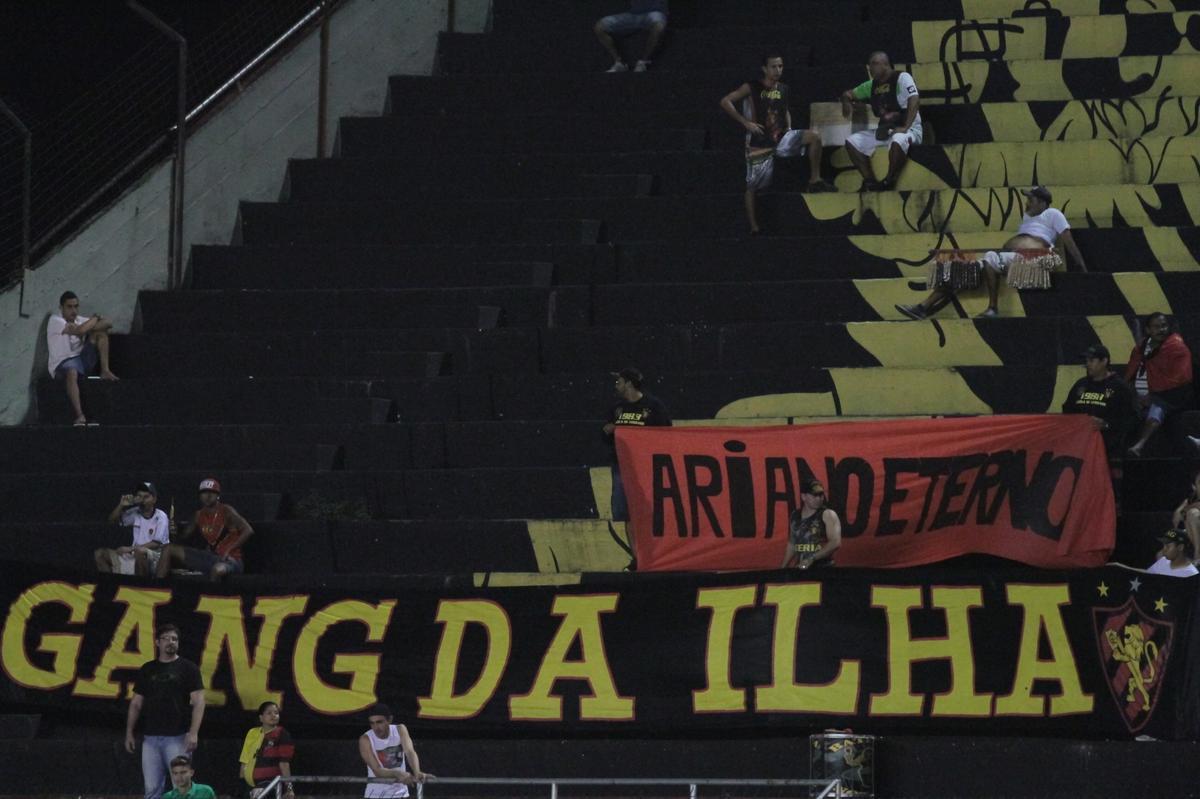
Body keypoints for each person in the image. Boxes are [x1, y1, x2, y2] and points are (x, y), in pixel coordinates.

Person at [895, 186, 1088, 320]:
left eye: (1030, 199)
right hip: (1011, 258)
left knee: (990, 256)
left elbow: (1068, 240)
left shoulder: (1053, 214)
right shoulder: (1027, 217)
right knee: (961, 270)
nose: (1027, 202)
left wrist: (1081, 266)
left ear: (1041, 202)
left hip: (1034, 259)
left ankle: (993, 308)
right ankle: (923, 307)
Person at [720, 53, 835, 234]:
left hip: (780, 137)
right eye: (773, 67)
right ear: (765, 69)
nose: (778, 70)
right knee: (753, 186)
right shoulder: (751, 87)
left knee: (815, 137)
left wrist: (789, 127)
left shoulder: (783, 88)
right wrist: (745, 122)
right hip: (759, 141)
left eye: (780, 66)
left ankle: (815, 179)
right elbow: (725, 101)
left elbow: (784, 109)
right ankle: (754, 227)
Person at [126, 624, 206, 799]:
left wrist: (193, 733)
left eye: (174, 639)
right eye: (166, 638)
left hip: (177, 737)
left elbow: (199, 702)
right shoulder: (147, 669)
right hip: (150, 738)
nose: (171, 642)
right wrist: (129, 732)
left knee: (182, 785)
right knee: (152, 787)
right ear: (157, 642)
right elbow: (136, 704)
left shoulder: (188, 668)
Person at [840, 51, 922, 191]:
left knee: (897, 140)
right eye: (870, 65)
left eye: (874, 64)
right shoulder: (871, 85)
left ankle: (889, 180)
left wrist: (905, 126)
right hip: (885, 131)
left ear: (885, 64)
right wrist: (846, 102)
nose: (870, 68)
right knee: (852, 141)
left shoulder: (902, 77)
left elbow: (914, 99)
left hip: (909, 129)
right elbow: (848, 94)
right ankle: (870, 181)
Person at [603, 368, 672, 523]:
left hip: (646, 464)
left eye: (618, 382)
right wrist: (608, 431)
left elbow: (666, 433)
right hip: (622, 464)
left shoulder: (653, 406)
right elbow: (606, 437)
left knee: (649, 505)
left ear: (628, 384)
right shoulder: (616, 408)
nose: (616, 385)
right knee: (620, 508)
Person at [1125, 312, 1195, 458]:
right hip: (1140, 399)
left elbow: (1180, 377)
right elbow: (1131, 373)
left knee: (1157, 408)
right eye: (1156, 327)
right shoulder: (1141, 348)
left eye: (1164, 326)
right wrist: (1135, 395)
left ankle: (1140, 445)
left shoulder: (1176, 347)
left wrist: (1152, 395)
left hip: (1169, 397)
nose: (1161, 330)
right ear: (1148, 330)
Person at [156, 478, 254, 581]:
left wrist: (229, 549)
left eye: (211, 493)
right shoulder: (198, 515)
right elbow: (184, 537)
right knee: (168, 549)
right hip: (210, 557)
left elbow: (248, 530)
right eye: (204, 493)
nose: (207, 496)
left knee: (217, 570)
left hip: (230, 559)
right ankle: (157, 590)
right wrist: (173, 531)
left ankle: (211, 596)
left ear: (217, 495)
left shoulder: (226, 510)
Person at [46, 290, 117, 425]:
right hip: (61, 364)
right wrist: (94, 319)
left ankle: (105, 371)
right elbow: (81, 331)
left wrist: (91, 322)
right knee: (72, 371)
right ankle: (80, 416)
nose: (74, 310)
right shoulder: (55, 320)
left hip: (81, 360)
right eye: (69, 307)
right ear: (61, 308)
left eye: (76, 306)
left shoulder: (79, 320)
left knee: (100, 334)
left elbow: (108, 323)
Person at [1061, 345, 1139, 460]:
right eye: (1086, 361)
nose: (1087, 364)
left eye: (1091, 360)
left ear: (1104, 361)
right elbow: (1067, 412)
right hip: (1080, 450)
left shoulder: (1120, 387)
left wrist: (1107, 424)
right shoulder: (1080, 384)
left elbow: (1133, 419)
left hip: (1109, 452)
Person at [96, 482, 171, 576]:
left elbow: (156, 544)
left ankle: (141, 587)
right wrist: (121, 505)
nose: (142, 500)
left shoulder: (161, 516)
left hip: (156, 558)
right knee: (100, 554)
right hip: (135, 553)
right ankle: (111, 586)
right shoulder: (135, 512)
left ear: (154, 499)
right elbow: (112, 521)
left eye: (146, 497)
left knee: (139, 552)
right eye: (139, 496)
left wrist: (129, 548)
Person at [359, 703, 431, 799]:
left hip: (401, 793)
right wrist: (397, 773)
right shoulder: (365, 739)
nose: (376, 727)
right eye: (372, 723)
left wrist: (417, 772)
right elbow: (377, 770)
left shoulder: (400, 729)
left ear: (389, 720)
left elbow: (409, 752)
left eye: (379, 722)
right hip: (376, 794)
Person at [781, 477, 842, 569]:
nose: (819, 498)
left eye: (821, 495)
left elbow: (835, 542)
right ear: (803, 496)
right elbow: (792, 544)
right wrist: (783, 568)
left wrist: (812, 558)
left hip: (823, 570)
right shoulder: (795, 516)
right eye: (814, 495)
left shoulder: (828, 514)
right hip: (801, 569)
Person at [239, 701, 295, 799]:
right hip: (250, 786)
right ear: (261, 718)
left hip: (271, 786)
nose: (273, 715)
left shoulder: (282, 734)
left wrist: (289, 789)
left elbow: (284, 764)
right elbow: (244, 759)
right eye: (269, 713)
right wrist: (241, 783)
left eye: (276, 713)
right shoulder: (252, 733)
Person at [594, 1, 667, 73]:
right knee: (600, 26)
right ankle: (620, 63)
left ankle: (643, 62)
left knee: (659, 26)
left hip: (655, 13)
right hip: (633, 15)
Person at [1170, 469, 1200, 558]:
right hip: (1191, 538)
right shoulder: (1189, 500)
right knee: (1161, 555)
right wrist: (1184, 510)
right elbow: (1176, 519)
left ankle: (1198, 555)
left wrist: (1187, 510)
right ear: (1194, 487)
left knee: (1192, 514)